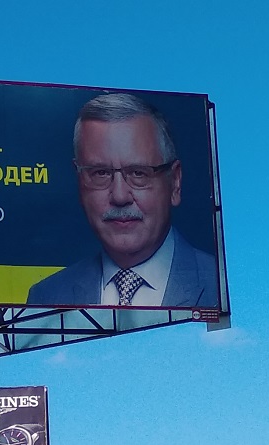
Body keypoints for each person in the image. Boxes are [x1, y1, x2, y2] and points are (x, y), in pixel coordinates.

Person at [26, 93, 219, 308]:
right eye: (100, 173)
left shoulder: (217, 284)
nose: (119, 196)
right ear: (80, 181)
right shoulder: (47, 296)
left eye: (138, 173)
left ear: (174, 182)